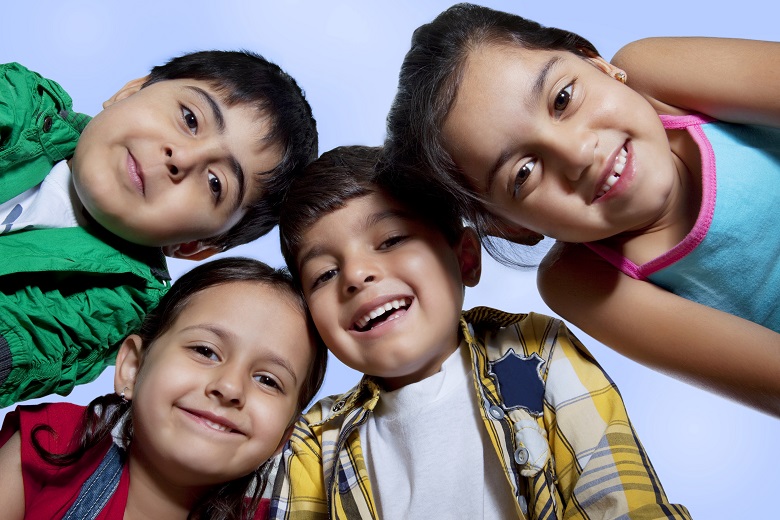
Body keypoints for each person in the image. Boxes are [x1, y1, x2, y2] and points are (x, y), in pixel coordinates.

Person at [383, 3, 780, 416]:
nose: (577, 155)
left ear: (598, 64)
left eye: (563, 99)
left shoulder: (658, 78)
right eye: (523, 173)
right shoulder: (579, 280)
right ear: (509, 226)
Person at [270, 145, 689, 519]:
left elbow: (619, 500)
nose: (357, 276)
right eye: (324, 273)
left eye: (392, 239)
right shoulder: (317, 439)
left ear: (466, 259)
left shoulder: (536, 351)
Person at [0, 51, 318, 407]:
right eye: (190, 118)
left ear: (195, 246)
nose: (182, 157)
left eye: (215, 183)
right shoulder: (19, 100)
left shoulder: (117, 306)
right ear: (129, 92)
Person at [0, 257, 328, 520]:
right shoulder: (51, 440)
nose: (229, 387)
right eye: (205, 351)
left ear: (284, 436)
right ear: (132, 367)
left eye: (268, 380)